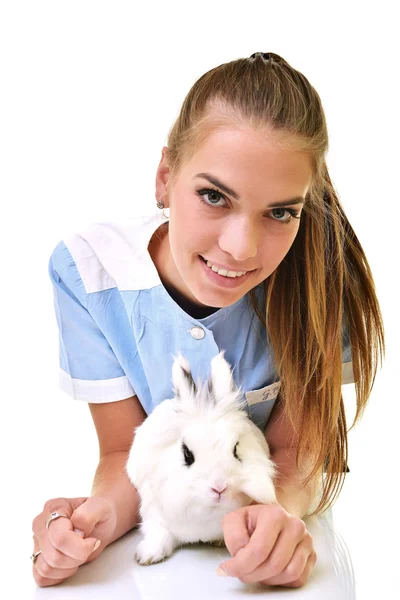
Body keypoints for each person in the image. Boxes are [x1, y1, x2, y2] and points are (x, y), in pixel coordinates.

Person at [31, 51, 385, 589]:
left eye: (280, 212)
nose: (240, 248)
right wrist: (97, 516)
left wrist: (279, 516)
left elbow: (296, 453)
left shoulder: (321, 282)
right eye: (214, 196)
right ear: (165, 176)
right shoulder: (90, 273)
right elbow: (127, 453)